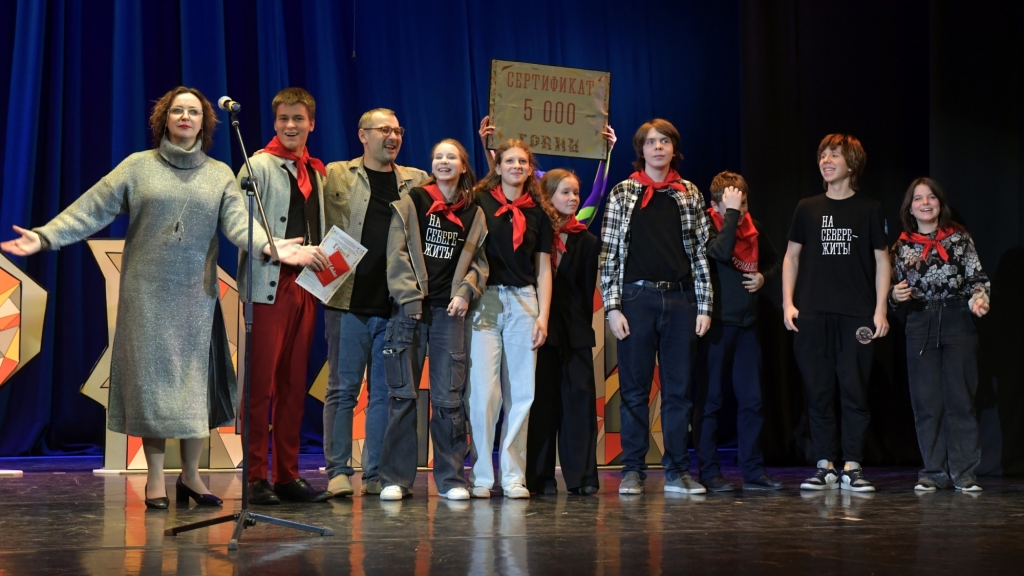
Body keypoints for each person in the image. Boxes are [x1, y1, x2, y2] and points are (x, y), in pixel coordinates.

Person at [0, 86, 317, 509]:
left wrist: (270, 246)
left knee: (193, 388)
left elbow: (239, 225)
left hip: (195, 297)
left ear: (205, 122)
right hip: (147, 296)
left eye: (193, 112)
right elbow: (91, 209)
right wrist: (45, 237)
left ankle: (191, 477)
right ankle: (154, 478)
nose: (185, 117)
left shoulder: (220, 174)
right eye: (177, 111)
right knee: (153, 389)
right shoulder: (138, 167)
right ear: (164, 119)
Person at [599, 118, 712, 495]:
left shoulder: (689, 192)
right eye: (651, 142)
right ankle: (633, 469)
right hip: (636, 299)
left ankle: (678, 471)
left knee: (678, 391)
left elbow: (699, 253)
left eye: (664, 141)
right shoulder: (624, 192)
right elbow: (610, 254)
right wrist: (612, 307)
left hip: (681, 299)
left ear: (674, 148)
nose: (658, 147)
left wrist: (704, 305)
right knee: (634, 391)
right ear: (641, 150)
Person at [321, 109, 429, 497]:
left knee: (385, 394)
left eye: (397, 130)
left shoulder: (417, 180)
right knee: (343, 390)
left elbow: (460, 192)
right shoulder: (336, 174)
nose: (393, 136)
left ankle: (376, 474)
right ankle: (337, 471)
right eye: (384, 129)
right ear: (363, 135)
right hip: (347, 300)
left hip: (395, 306)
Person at [377, 139, 489, 501]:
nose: (443, 161)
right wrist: (409, 297)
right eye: (438, 156)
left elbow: (479, 263)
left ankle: (452, 479)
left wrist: (466, 291)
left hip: (448, 314)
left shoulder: (474, 212)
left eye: (451, 157)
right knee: (402, 395)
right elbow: (395, 255)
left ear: (463, 166)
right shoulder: (413, 202)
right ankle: (395, 478)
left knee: (448, 399)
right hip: (410, 311)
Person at [236, 87, 332, 505]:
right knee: (261, 385)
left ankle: (287, 475)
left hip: (306, 286)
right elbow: (239, 222)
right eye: (283, 119)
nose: (290, 126)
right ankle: (255, 475)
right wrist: (274, 247)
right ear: (275, 123)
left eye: (298, 119)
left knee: (294, 384)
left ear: (311, 123)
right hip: (268, 283)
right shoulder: (257, 165)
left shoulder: (317, 172)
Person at [782, 134, 890, 493]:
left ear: (852, 164)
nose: (826, 161)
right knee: (818, 391)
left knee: (854, 390)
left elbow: (882, 261)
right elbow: (791, 257)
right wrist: (788, 303)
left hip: (856, 315)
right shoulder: (807, 207)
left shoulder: (870, 208)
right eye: (823, 156)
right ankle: (825, 464)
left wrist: (880, 309)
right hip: (813, 314)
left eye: (834, 156)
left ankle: (853, 465)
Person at [466, 139, 554, 500]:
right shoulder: (479, 202)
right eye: (510, 161)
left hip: (523, 301)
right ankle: (482, 476)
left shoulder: (539, 212)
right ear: (497, 166)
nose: (517, 166)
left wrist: (543, 316)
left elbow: (544, 268)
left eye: (523, 162)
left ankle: (514, 476)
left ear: (530, 169)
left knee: (521, 392)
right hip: (485, 299)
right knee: (484, 393)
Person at [889, 177, 989, 492]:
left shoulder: (959, 238)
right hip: (920, 320)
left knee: (961, 399)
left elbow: (976, 277)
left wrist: (980, 297)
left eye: (931, 197)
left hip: (957, 317)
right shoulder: (901, 246)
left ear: (940, 203)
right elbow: (889, 290)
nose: (925, 203)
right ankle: (933, 471)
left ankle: (964, 473)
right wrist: (895, 296)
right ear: (910, 208)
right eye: (918, 199)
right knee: (926, 401)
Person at [692, 171, 783, 492]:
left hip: (747, 325)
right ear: (715, 204)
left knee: (752, 400)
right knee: (711, 400)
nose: (740, 211)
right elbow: (719, 251)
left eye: (743, 203)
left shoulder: (753, 229)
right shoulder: (705, 225)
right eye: (732, 204)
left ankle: (753, 470)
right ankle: (709, 472)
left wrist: (763, 277)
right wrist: (730, 215)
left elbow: (774, 261)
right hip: (715, 324)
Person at [524, 167, 604, 496]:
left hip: (574, 332)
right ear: (547, 196)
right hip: (538, 331)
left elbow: (585, 293)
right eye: (565, 192)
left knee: (579, 403)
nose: (573, 199)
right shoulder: (533, 233)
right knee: (541, 404)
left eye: (576, 193)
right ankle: (538, 478)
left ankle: (582, 477)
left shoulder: (587, 241)